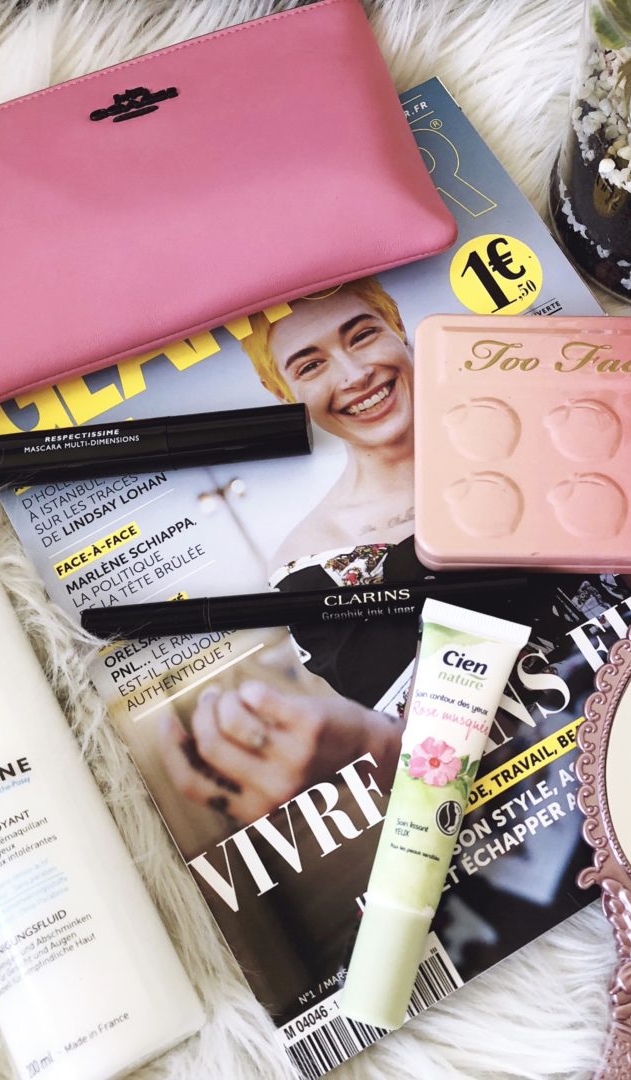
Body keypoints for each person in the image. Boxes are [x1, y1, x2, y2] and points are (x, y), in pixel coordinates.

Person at [157, 278, 429, 823]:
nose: (354, 375)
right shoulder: (309, 570)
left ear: (397, 326)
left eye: (362, 335)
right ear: (282, 392)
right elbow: (426, 744)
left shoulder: (534, 419)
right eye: (310, 365)